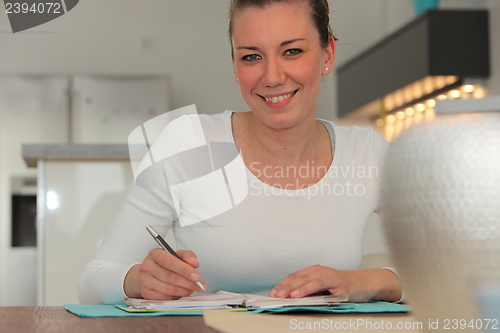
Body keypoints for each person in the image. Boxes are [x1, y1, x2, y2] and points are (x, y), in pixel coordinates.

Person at [77, 0, 402, 305]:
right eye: (251, 57)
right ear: (234, 65)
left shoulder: (367, 152)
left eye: (292, 51)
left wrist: (366, 282)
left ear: (327, 54)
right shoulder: (189, 143)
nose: (272, 77)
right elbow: (92, 281)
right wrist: (136, 280)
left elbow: (447, 269)